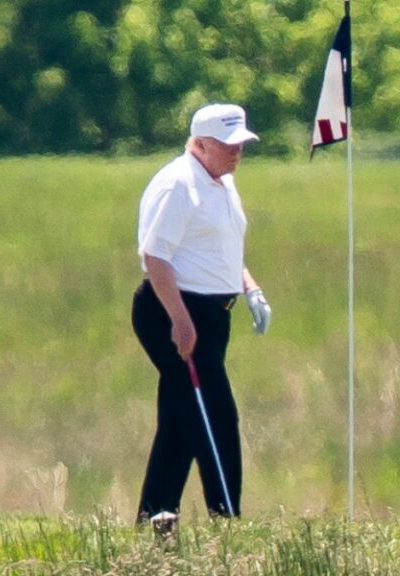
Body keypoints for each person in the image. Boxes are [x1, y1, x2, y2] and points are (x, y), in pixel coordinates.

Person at [132, 103, 271, 531]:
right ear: (200, 144)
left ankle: (154, 516)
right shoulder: (179, 184)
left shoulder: (222, 182)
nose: (236, 154)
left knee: (182, 419)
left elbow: (222, 247)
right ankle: (226, 520)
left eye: (241, 146)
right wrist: (180, 319)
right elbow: (155, 255)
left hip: (213, 315)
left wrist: (250, 288)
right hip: (173, 311)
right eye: (228, 146)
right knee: (215, 416)